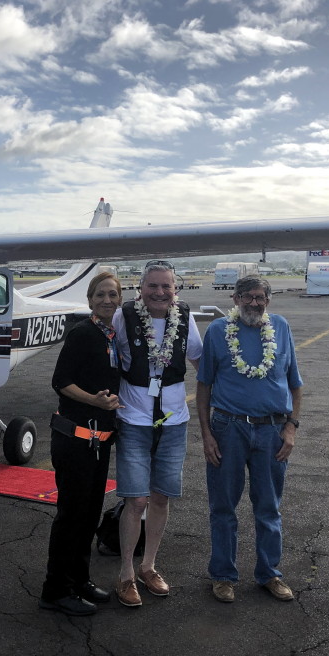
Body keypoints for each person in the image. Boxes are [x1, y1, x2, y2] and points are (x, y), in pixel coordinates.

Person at [195, 275, 303, 604]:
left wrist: (291, 428)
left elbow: (295, 384)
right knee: (223, 506)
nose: (253, 303)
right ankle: (223, 576)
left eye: (260, 297)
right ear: (236, 299)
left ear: (268, 301)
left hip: (272, 430)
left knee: (268, 507)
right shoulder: (217, 331)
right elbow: (204, 387)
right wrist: (207, 435)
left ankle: (269, 573)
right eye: (247, 297)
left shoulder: (281, 327)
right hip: (228, 428)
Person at [111, 260, 202, 607]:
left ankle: (149, 566)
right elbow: (110, 355)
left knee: (161, 497)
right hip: (134, 419)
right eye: (153, 286)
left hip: (174, 420)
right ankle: (125, 574)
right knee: (135, 500)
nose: (160, 293)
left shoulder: (185, 318)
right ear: (141, 288)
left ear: (175, 290)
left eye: (167, 286)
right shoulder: (125, 317)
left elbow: (199, 360)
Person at [39, 272, 124, 616]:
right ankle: (55, 590)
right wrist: (94, 401)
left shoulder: (114, 337)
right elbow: (60, 382)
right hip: (74, 440)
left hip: (98, 443)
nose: (107, 300)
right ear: (89, 300)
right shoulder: (83, 333)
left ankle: (80, 579)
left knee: (89, 516)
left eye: (113, 295)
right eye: (100, 295)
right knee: (71, 516)